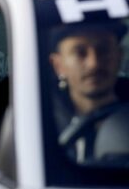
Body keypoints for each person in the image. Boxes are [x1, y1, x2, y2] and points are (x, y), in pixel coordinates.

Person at [49, 21, 129, 161]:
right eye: (80, 52)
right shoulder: (42, 123)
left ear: (119, 56)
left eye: (104, 50)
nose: (94, 63)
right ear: (58, 65)